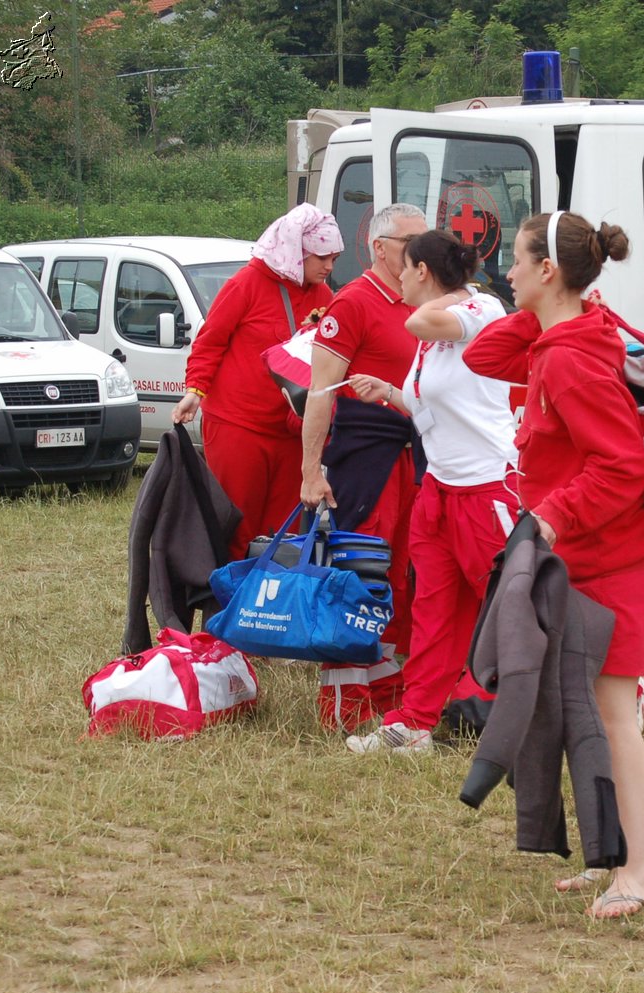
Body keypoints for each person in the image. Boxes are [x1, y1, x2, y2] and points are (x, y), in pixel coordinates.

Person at [465, 210, 644, 920]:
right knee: (585, 712)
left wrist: (551, 516)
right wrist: (556, 312)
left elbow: (619, 467)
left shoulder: (574, 356)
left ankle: (634, 873)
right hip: (582, 558)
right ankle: (609, 856)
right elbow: (481, 357)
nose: (506, 273)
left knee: (615, 717)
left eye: (519, 263)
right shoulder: (566, 338)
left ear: (547, 269)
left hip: (615, 561)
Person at [342, 230, 514, 753]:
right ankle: (415, 723)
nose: (397, 276)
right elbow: (431, 405)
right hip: (439, 488)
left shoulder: (480, 310)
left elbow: (420, 319)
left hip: (488, 487)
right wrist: (391, 393)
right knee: (434, 612)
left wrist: (427, 300)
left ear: (424, 272)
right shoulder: (431, 331)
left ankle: (575, 705)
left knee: (513, 610)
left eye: (405, 266)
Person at [299, 203, 428, 731]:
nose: (422, 255)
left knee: (406, 576)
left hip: (416, 457)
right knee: (359, 577)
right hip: (365, 461)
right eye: (410, 244)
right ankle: (347, 701)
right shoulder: (353, 303)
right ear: (379, 248)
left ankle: (395, 689)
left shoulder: (428, 304)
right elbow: (319, 393)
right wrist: (311, 470)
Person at [174, 204, 341, 560]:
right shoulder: (246, 285)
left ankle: (267, 608)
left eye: (334, 259)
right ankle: (225, 604)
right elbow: (210, 341)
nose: (328, 267)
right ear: (297, 252)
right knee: (237, 525)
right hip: (240, 426)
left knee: (282, 532)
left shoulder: (325, 297)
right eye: (321, 258)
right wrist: (195, 391)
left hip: (292, 432)